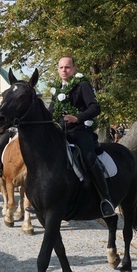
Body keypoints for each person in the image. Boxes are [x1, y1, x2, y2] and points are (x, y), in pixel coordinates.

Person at [48, 56, 115, 217]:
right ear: (58, 70)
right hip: (60, 131)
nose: (64, 70)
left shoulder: (82, 85)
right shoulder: (57, 89)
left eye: (67, 67)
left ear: (74, 68)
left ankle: (105, 199)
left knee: (88, 157)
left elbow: (95, 108)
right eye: (61, 67)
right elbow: (50, 112)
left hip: (79, 130)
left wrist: (77, 117)